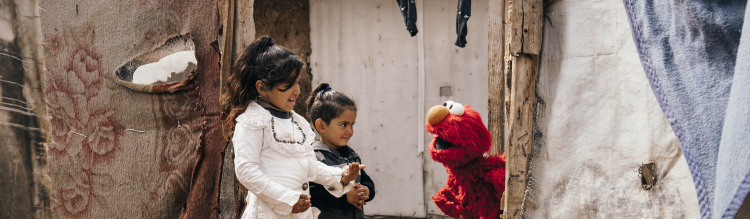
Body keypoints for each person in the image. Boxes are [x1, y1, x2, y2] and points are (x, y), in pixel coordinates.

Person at [221, 36, 365, 219]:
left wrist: (340, 176)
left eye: (297, 82)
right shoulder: (252, 121)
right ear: (262, 87)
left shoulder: (297, 122)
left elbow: (310, 167)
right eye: (288, 85)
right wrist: (288, 200)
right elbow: (246, 171)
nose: (297, 90)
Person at [306, 83, 375, 219]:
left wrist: (366, 190)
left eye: (352, 124)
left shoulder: (351, 155)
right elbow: (312, 193)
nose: (350, 131)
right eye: (344, 125)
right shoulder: (314, 157)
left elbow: (367, 180)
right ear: (321, 126)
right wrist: (345, 197)